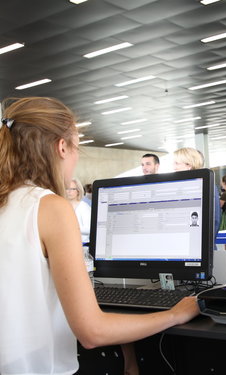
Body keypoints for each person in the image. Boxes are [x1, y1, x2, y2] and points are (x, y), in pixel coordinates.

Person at [0, 97, 199, 375]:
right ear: (61, 147)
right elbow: (92, 332)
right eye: (77, 147)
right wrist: (176, 313)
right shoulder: (49, 206)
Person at [173, 147, 221, 240]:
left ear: (189, 165)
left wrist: (204, 246)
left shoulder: (205, 184)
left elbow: (215, 220)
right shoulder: (180, 187)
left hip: (200, 247)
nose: (174, 167)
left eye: (177, 163)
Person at [66, 177, 91, 244]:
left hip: (82, 245)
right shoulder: (64, 206)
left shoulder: (84, 207)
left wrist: (73, 228)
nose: (69, 191)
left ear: (78, 191)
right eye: (67, 188)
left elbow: (89, 228)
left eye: (72, 189)